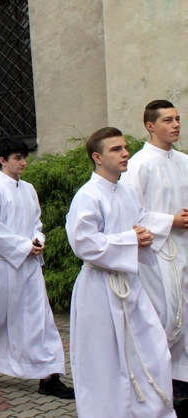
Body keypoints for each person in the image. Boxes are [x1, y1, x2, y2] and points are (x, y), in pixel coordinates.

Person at [66, 127, 174, 418]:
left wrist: (144, 235)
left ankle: (151, 410)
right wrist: (130, 240)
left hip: (130, 284)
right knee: (104, 360)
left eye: (125, 147)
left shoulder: (126, 191)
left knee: (152, 349)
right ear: (97, 157)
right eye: (116, 149)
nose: (125, 153)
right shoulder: (87, 197)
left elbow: (139, 223)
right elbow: (83, 243)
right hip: (100, 288)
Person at [0, 138, 73, 399]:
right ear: (2, 160)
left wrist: (38, 240)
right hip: (3, 267)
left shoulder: (28, 189)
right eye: (17, 158)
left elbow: (36, 221)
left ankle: (49, 375)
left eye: (24, 157)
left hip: (29, 267)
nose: (23, 162)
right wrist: (25, 245)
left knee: (41, 319)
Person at [120, 100, 188, 400]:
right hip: (157, 251)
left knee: (185, 311)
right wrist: (169, 221)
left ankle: (181, 375)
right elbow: (130, 210)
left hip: (184, 246)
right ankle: (156, 375)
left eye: (177, 119)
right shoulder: (139, 163)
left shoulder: (184, 161)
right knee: (164, 313)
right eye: (168, 120)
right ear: (150, 126)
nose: (175, 125)